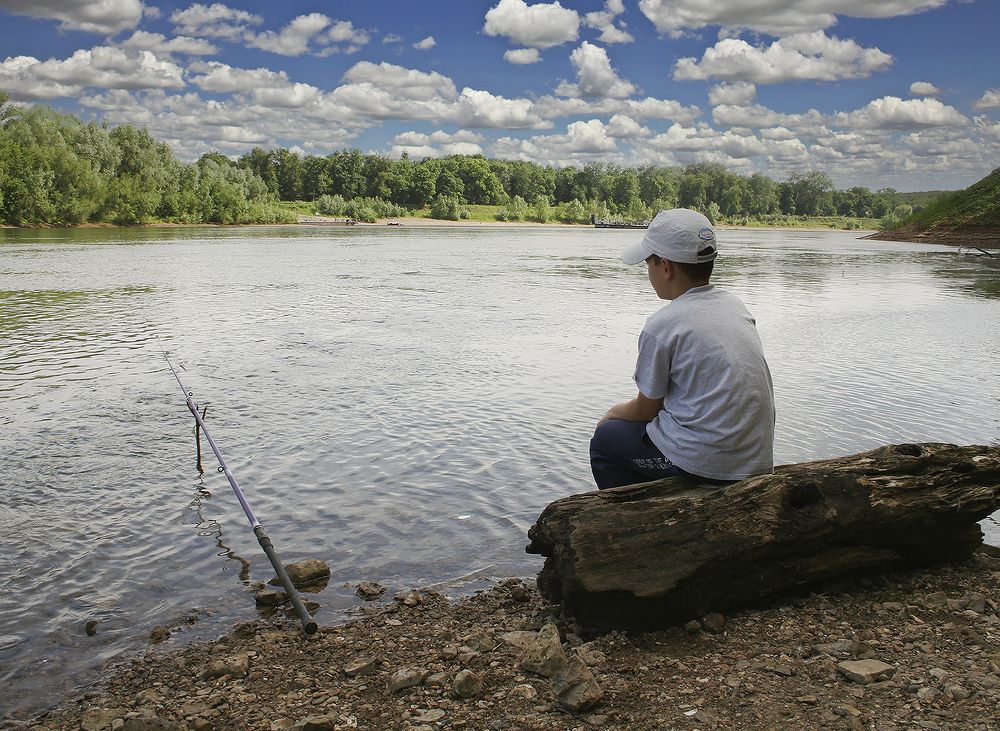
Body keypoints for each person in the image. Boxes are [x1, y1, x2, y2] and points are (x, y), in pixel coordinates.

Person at [590, 208, 775, 489]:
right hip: (755, 460)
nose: (647, 272)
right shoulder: (735, 306)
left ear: (665, 266)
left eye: (647, 264)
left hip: (708, 465)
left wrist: (611, 414)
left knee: (605, 440)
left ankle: (632, 520)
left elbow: (644, 410)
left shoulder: (663, 325)